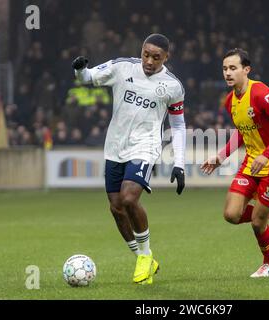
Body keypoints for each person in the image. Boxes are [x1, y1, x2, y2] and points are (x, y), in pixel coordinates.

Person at [72, 34, 186, 285]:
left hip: (145, 147)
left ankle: (145, 255)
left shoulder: (172, 86)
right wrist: (80, 69)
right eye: (146, 54)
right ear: (141, 51)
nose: (149, 61)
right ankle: (143, 258)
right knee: (116, 207)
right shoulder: (122, 67)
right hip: (115, 147)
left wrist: (179, 163)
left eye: (156, 57)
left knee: (129, 198)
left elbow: (178, 125)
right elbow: (88, 78)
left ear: (166, 57)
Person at [201, 48, 269, 277]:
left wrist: (266, 155)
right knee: (231, 215)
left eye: (233, 68)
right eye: (224, 69)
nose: (227, 73)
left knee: (256, 222)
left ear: (246, 70)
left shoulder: (262, 93)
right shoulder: (229, 101)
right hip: (251, 164)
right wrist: (221, 156)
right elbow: (242, 132)